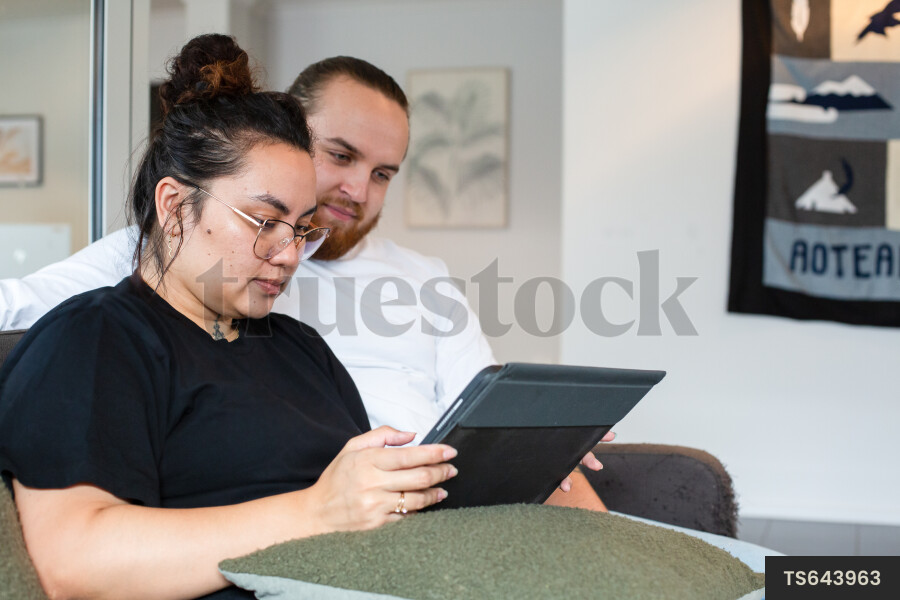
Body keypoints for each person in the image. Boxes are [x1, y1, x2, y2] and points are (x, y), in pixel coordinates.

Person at [0, 54, 608, 509]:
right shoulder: (169, 259)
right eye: (339, 157)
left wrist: (536, 442)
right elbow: (32, 313)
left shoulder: (415, 285)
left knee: (570, 487)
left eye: (383, 174)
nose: (357, 192)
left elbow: (483, 410)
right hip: (343, 515)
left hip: (421, 497)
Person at [0, 35, 459, 600]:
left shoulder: (302, 349)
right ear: (173, 207)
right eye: (263, 221)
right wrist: (315, 510)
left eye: (301, 227)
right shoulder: (94, 338)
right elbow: (72, 563)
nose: (289, 252)